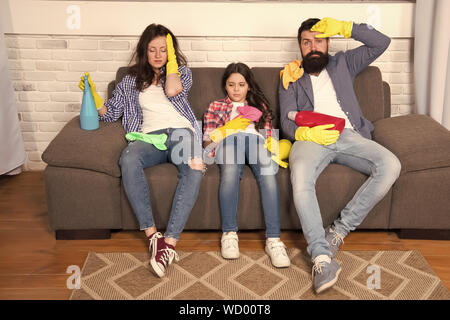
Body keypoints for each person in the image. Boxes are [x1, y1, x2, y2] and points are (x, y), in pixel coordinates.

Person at [279, 17, 401, 293]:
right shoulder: (290, 76)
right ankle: (321, 257)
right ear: (299, 46)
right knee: (300, 180)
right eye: (306, 42)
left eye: (318, 41)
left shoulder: (344, 63)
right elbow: (286, 124)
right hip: (310, 140)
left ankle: (338, 232)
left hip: (348, 136)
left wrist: (348, 27)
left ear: (328, 41)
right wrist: (306, 134)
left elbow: (382, 42)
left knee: (391, 164)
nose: (312, 47)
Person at [79, 24, 205, 278]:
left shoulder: (181, 73)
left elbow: (171, 90)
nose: (158, 55)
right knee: (128, 159)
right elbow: (111, 114)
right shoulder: (129, 82)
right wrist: (92, 96)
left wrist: (172, 58)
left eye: (163, 49)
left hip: (181, 133)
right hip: (149, 137)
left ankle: (169, 243)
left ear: (170, 51)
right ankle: (153, 237)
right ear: (144, 52)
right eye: (152, 50)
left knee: (194, 168)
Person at [203, 62, 290, 268]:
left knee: (268, 173)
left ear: (248, 86)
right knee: (230, 172)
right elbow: (207, 144)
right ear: (225, 86)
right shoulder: (215, 107)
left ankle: (274, 240)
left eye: (241, 84)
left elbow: (269, 137)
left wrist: (272, 145)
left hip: (255, 142)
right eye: (231, 84)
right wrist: (227, 129)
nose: (236, 89)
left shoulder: (260, 107)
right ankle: (230, 234)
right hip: (228, 141)